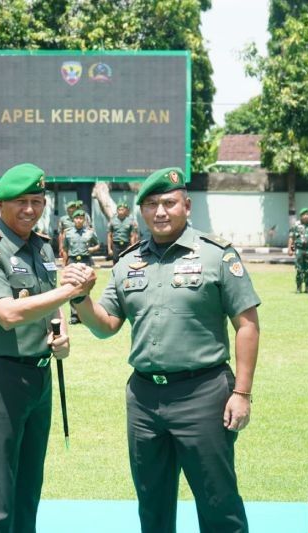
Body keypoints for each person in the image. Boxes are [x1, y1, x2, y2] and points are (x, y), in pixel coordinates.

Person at [64, 167, 259, 533]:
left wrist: (242, 392)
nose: (160, 212)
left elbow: (247, 324)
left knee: (218, 502)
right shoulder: (127, 262)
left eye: (169, 203)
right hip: (144, 399)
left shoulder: (217, 255)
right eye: (151, 204)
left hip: (203, 393)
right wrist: (80, 298)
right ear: (141, 211)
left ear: (186, 205)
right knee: (152, 503)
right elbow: (106, 325)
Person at [0, 163, 81, 533]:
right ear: (0, 204)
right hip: (0, 379)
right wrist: (69, 291)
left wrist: (59, 333)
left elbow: (48, 303)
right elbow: (7, 314)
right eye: (21, 202)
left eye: (37, 200)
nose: (30, 209)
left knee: (29, 489)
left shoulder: (42, 247)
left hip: (39, 377)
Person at [62, 209, 100, 324]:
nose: (79, 220)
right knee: (72, 288)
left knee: (85, 288)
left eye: (81, 218)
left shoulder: (89, 232)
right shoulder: (68, 233)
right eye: (76, 218)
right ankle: (74, 315)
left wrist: (92, 249)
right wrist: (64, 265)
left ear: (84, 219)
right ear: (73, 219)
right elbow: (65, 249)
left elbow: (97, 244)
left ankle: (84, 316)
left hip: (85, 261)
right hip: (72, 260)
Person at [287, 207, 308, 293]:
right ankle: (298, 287)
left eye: (307, 214)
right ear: (301, 216)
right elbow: (291, 238)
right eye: (304, 214)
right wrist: (290, 249)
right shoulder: (295, 225)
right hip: (299, 250)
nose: (306, 216)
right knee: (299, 269)